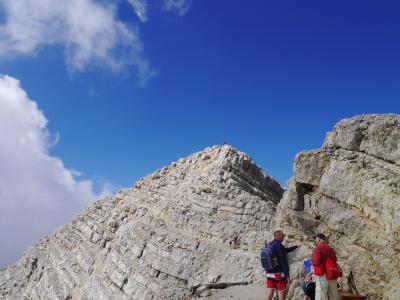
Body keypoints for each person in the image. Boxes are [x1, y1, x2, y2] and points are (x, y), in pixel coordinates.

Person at [265, 230, 299, 300]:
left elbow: (285, 250)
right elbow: (284, 262)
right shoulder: (279, 246)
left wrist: (295, 247)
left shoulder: (269, 245)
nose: (283, 237)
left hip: (269, 273)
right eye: (283, 235)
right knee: (281, 292)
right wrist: (287, 276)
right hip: (278, 274)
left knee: (270, 292)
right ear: (279, 236)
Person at [311, 233, 339, 300]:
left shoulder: (318, 248)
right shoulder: (330, 249)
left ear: (319, 239)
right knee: (334, 295)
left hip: (322, 275)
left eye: (316, 238)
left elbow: (316, 261)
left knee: (321, 295)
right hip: (332, 274)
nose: (315, 240)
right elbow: (335, 260)